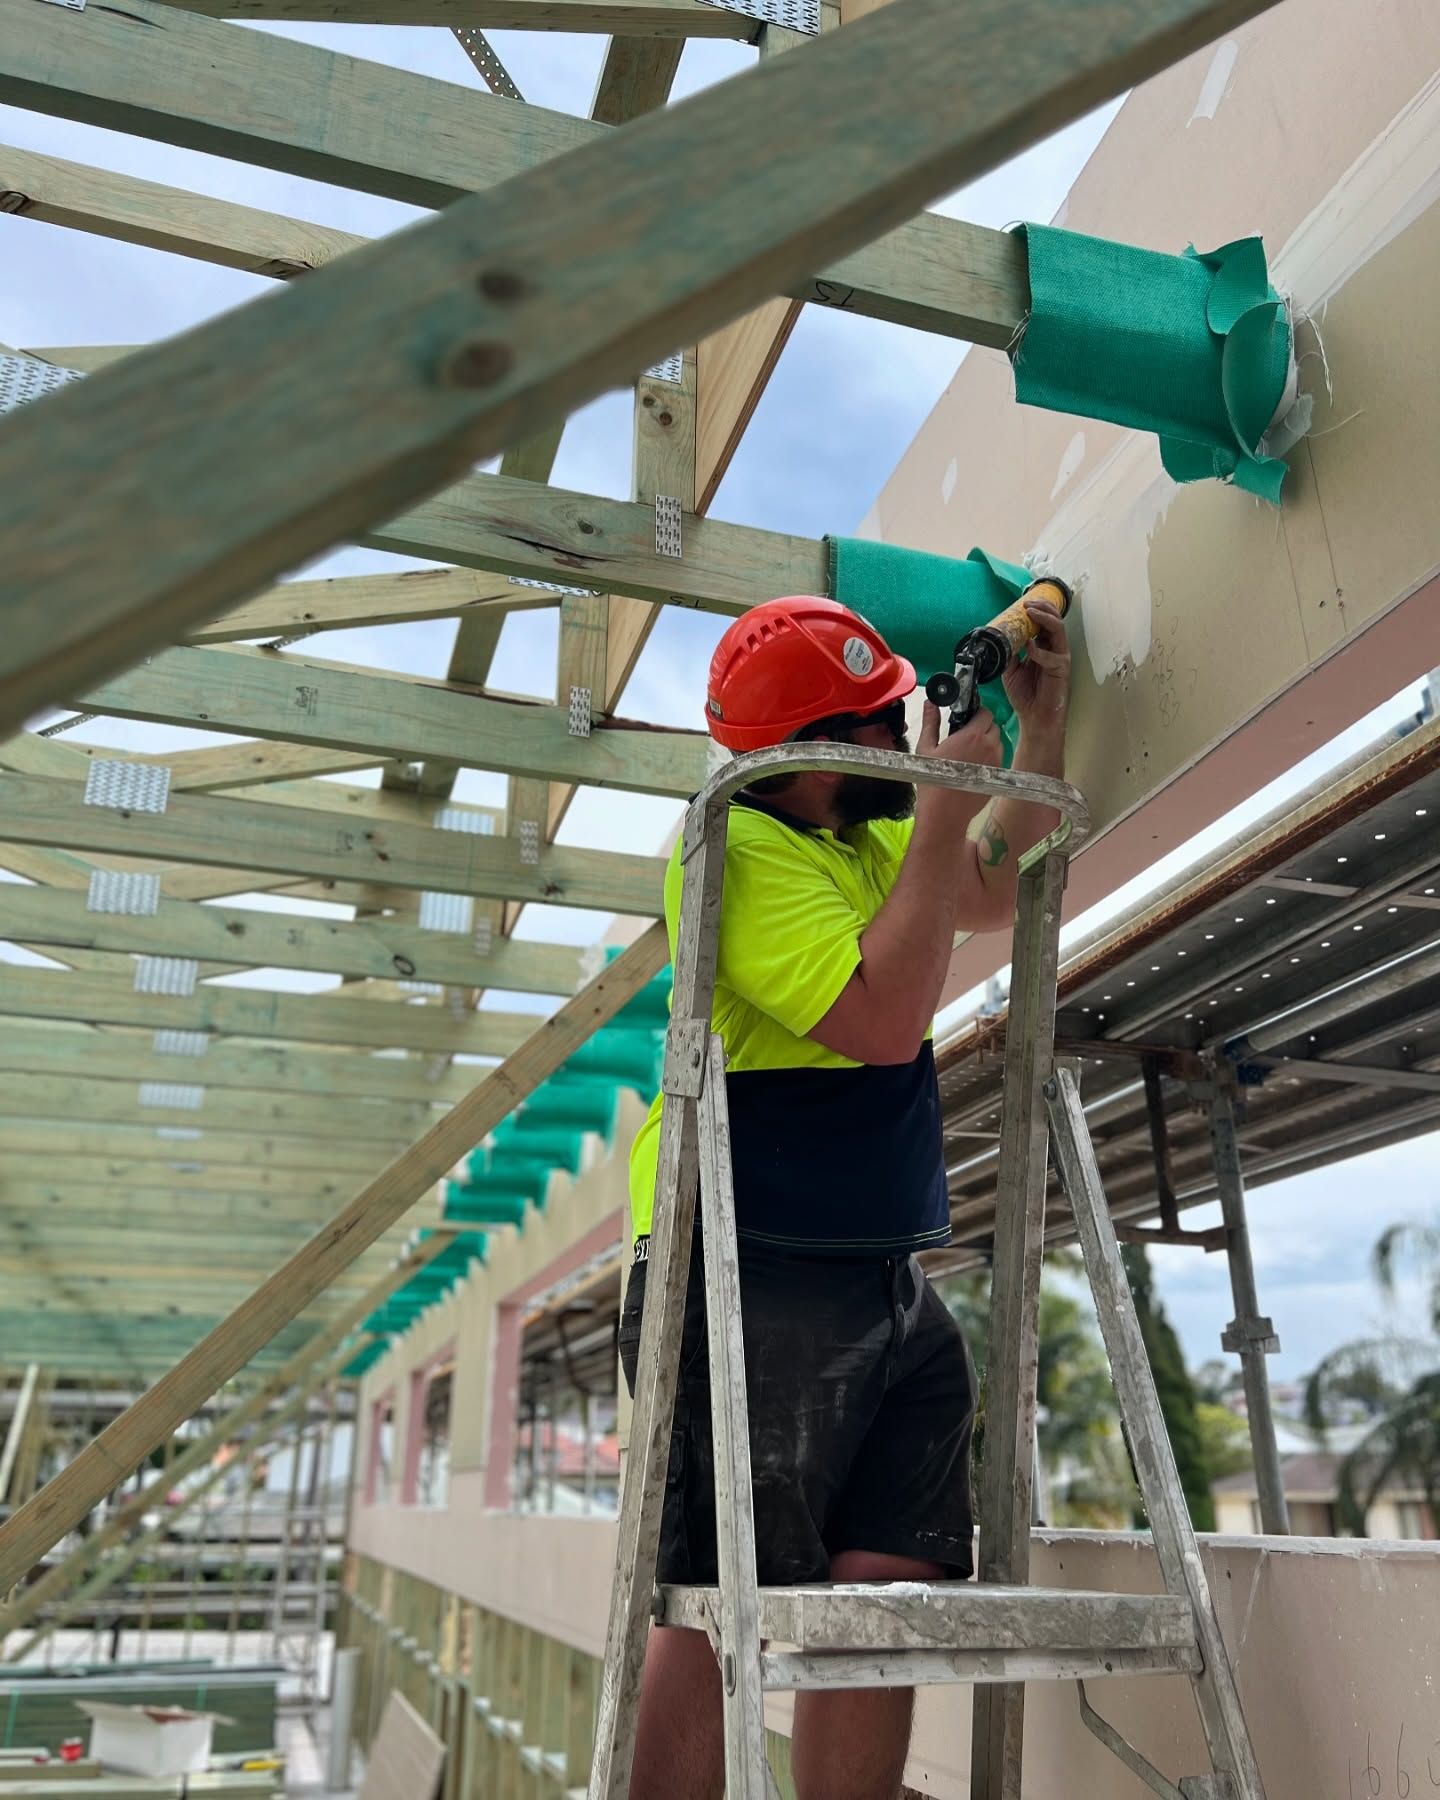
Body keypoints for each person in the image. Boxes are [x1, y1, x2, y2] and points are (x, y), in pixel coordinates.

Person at [620, 590, 1072, 1799]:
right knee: (719, 1597)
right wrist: (934, 810)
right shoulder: (736, 843)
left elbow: (989, 887)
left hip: (871, 1262)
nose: (906, 733)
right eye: (881, 724)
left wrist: (1040, 733)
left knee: (887, 1587)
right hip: (739, 1253)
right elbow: (879, 1021)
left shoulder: (858, 831)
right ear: (811, 752)